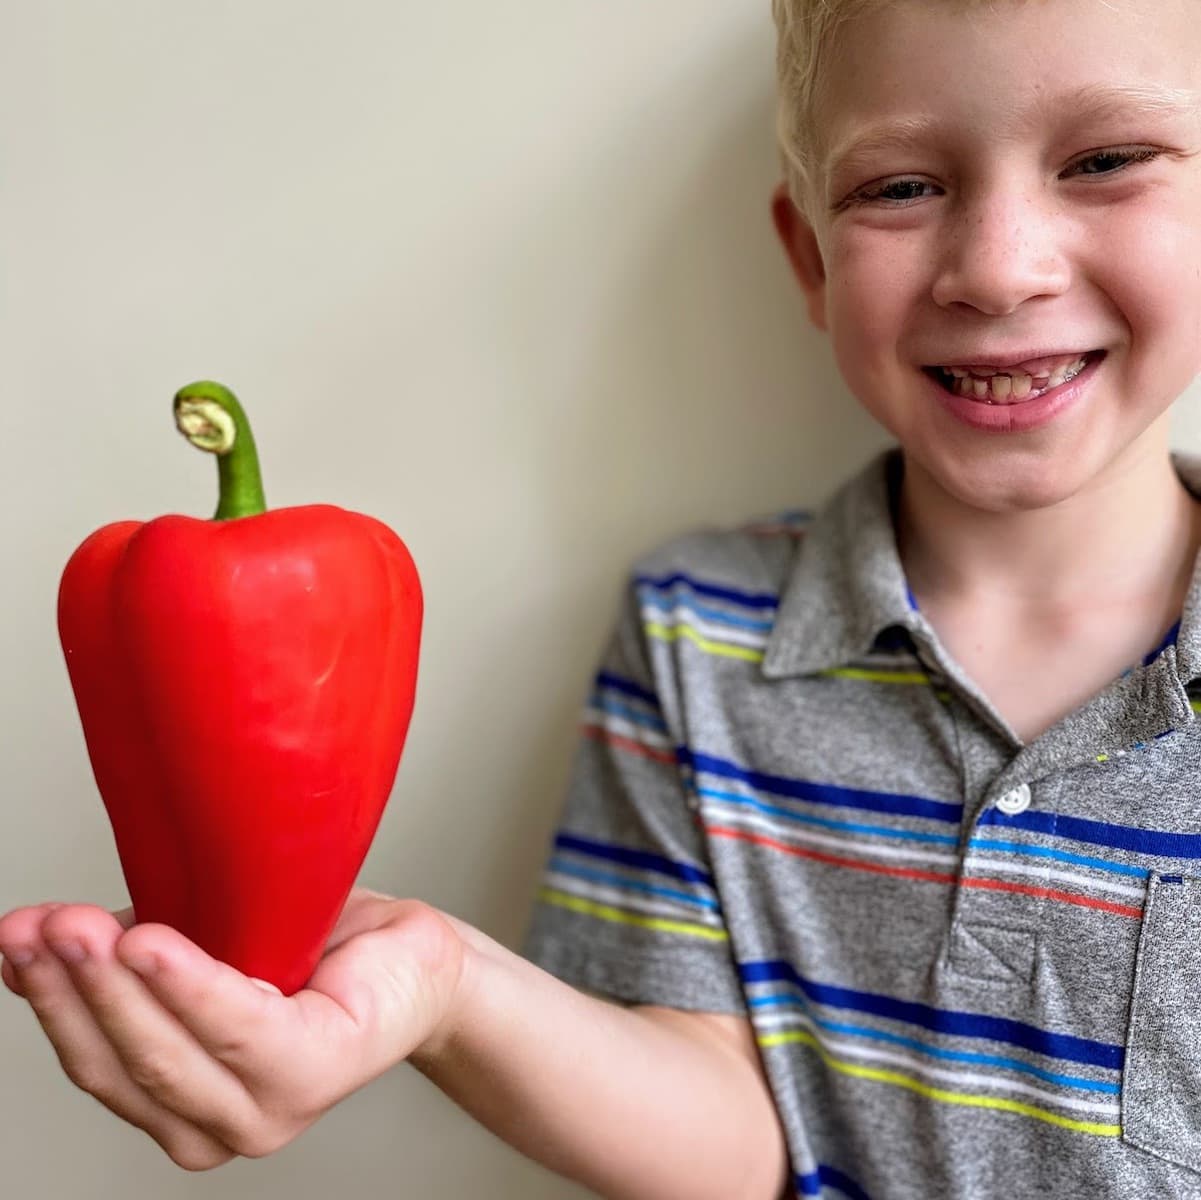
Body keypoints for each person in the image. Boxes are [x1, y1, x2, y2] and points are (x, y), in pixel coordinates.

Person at [6, 0, 1201, 1195]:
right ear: (807, 259)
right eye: (897, 187)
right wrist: (447, 993)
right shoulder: (696, 629)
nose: (998, 269)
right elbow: (737, 1137)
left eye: (1103, 162)